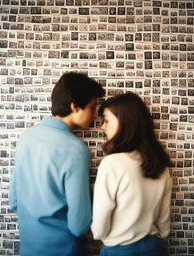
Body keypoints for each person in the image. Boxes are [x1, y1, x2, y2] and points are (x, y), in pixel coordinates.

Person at [9, 72, 105, 256]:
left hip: (28, 248)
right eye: (92, 107)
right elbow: (79, 226)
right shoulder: (76, 150)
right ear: (74, 106)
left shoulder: (26, 137)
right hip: (62, 250)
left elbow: (14, 201)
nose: (95, 115)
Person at [91, 92, 172, 256]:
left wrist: (103, 238)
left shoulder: (112, 164)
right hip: (153, 246)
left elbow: (100, 222)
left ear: (124, 121)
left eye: (106, 120)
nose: (102, 127)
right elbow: (164, 220)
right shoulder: (161, 165)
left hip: (120, 248)